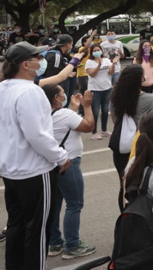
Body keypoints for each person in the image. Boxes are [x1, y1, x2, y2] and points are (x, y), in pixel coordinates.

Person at [0, 42, 71, 269]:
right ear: (25, 64)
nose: (41, 62)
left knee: (17, 225)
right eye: (37, 58)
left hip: (11, 169)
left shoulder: (3, 88)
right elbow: (37, 134)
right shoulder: (30, 91)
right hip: (35, 170)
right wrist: (61, 156)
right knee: (37, 230)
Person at [43, 86, 97, 259]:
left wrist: (74, 107)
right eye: (62, 94)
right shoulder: (65, 115)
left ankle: (54, 243)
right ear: (57, 98)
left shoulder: (43, 114)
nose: (65, 95)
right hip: (69, 163)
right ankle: (72, 246)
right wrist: (87, 106)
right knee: (74, 204)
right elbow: (88, 126)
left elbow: (64, 123)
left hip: (51, 164)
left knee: (55, 205)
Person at [109, 65, 153, 211]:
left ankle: (124, 214)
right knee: (142, 182)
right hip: (141, 146)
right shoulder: (149, 100)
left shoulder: (115, 98)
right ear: (141, 79)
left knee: (123, 184)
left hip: (120, 147)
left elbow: (114, 119)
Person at [85, 43, 118, 140]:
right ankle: (94, 132)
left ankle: (104, 130)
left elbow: (111, 73)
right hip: (95, 89)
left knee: (105, 110)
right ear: (91, 52)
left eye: (98, 50)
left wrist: (114, 64)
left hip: (107, 88)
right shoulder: (89, 62)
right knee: (95, 111)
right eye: (94, 51)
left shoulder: (107, 60)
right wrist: (99, 65)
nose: (97, 52)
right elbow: (92, 74)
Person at [43, 33, 75, 106]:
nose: (71, 47)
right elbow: (53, 76)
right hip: (52, 88)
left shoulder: (53, 51)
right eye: (71, 44)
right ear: (68, 45)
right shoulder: (56, 56)